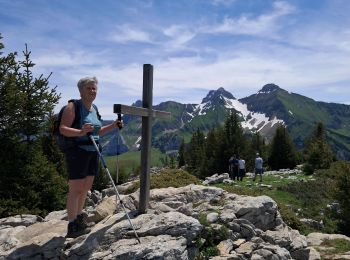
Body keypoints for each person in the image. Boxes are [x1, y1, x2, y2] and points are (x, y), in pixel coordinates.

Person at [60, 76, 122, 238]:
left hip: (93, 151)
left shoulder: (94, 108)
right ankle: (72, 224)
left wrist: (113, 126)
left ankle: (80, 218)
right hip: (77, 151)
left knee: (85, 189)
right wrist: (80, 132)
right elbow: (63, 128)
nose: (92, 91)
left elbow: (98, 132)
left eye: (94, 88)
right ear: (81, 90)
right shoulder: (72, 107)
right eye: (89, 88)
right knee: (75, 189)